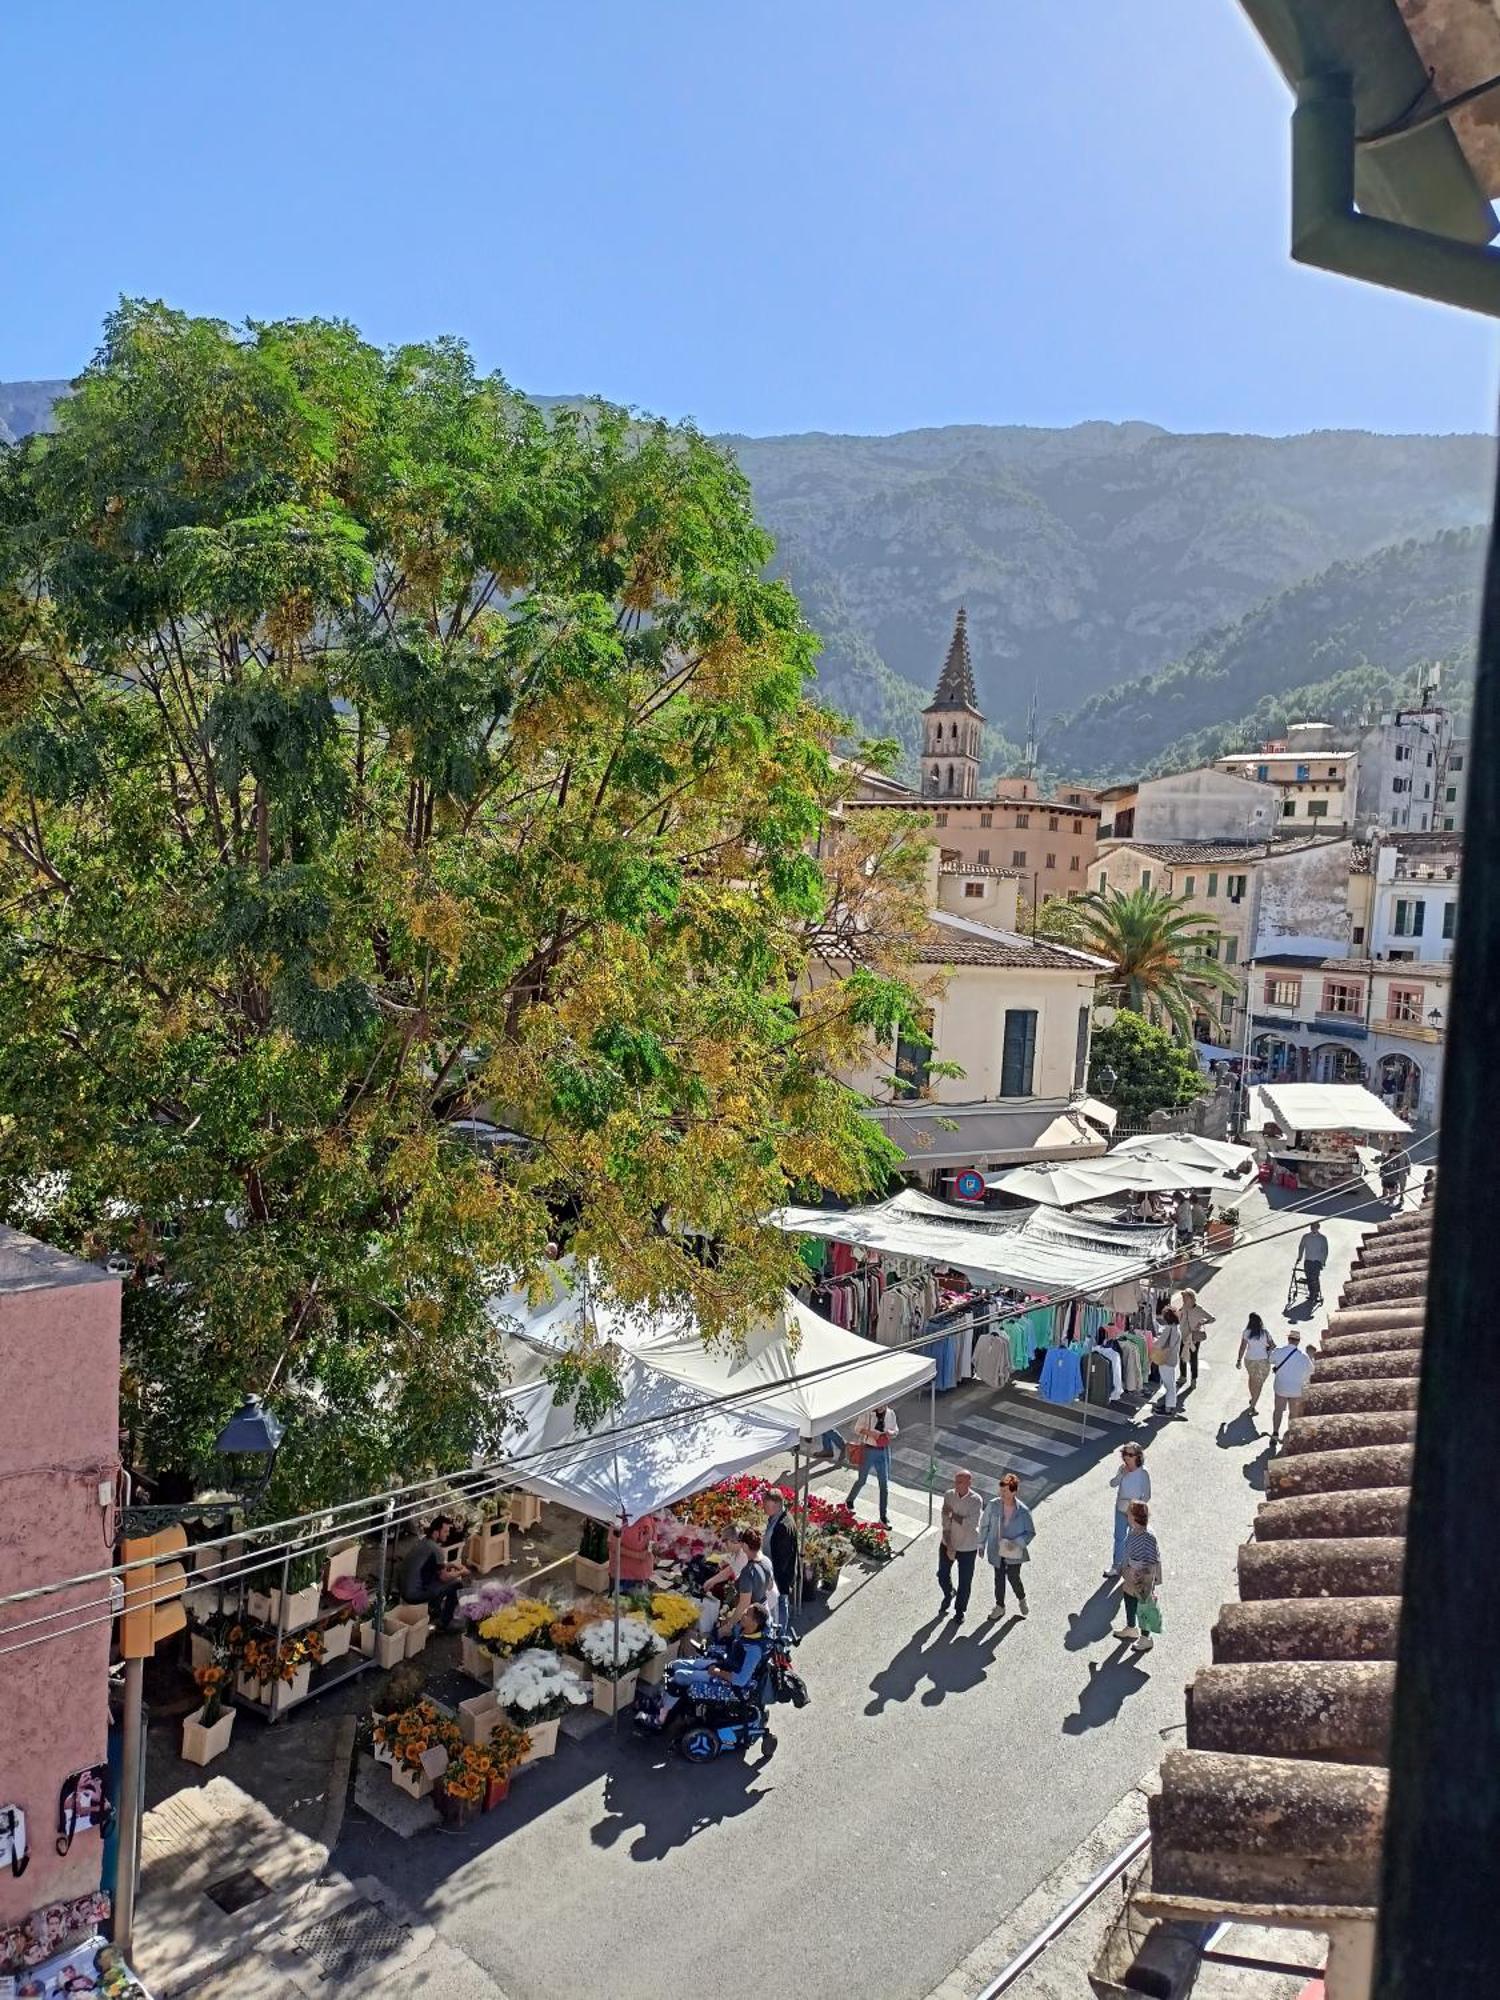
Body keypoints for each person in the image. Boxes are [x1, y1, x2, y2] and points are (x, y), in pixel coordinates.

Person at [979, 1471, 1035, 1618]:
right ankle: (1000, 1606)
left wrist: (1016, 1543)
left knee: (1013, 1576)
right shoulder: (993, 1505)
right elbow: (984, 1525)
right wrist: (981, 1544)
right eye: (1001, 1490)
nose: (1002, 1493)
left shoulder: (1023, 1511)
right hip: (997, 1549)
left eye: (1005, 1491)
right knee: (998, 1578)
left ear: (1014, 1491)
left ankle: (1021, 1598)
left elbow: (1030, 1532)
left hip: (1013, 1551)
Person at [399, 1518, 470, 1632]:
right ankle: (445, 1623)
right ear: (436, 1532)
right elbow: (444, 1577)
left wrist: (451, 1565)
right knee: (456, 1584)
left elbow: (434, 1566)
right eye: (445, 1531)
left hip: (405, 1590)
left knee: (438, 1581)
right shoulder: (436, 1549)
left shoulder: (424, 1542)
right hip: (415, 1594)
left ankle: (434, 1609)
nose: (448, 1534)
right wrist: (461, 1572)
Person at [1114, 1500, 1162, 1653]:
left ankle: (1146, 1638)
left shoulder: (1148, 1536)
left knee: (1144, 1606)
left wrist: (1141, 1574)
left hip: (1142, 1577)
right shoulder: (1134, 1530)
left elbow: (1153, 1560)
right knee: (1129, 1597)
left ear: (1134, 1517)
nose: (1126, 1515)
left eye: (1129, 1513)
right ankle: (1131, 1628)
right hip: (1131, 1574)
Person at [938, 1468, 983, 1619]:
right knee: (942, 1575)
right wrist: (949, 1545)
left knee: (965, 1581)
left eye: (960, 1482)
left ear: (969, 1483)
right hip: (948, 1542)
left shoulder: (976, 1500)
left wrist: (953, 1515)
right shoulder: (949, 1495)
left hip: (967, 1547)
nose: (956, 1485)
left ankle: (959, 1611)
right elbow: (945, 1521)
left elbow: (971, 1525)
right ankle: (949, 1592)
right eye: (956, 1482)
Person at [847, 1404, 897, 1527]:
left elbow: (896, 1430)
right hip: (869, 1449)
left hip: (883, 1450)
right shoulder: (867, 1412)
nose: (881, 1407)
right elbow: (857, 1428)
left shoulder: (890, 1413)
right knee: (862, 1480)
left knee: (884, 1485)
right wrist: (871, 1433)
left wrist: (891, 1433)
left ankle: (883, 1516)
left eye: (883, 1405)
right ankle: (850, 1500)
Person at [1106, 1443, 1150, 1573]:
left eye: (1130, 1455)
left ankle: (1130, 1566)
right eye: (1125, 1454)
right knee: (1119, 1537)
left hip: (1135, 1512)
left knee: (1133, 1539)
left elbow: (1147, 1495)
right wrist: (1121, 1475)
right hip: (1120, 1509)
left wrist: (1136, 1508)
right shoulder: (1122, 1469)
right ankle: (1116, 1566)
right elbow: (1112, 1484)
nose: (1126, 1458)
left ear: (1138, 1457)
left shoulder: (1143, 1473)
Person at [1268, 1329, 1315, 1444]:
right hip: (1296, 1390)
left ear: (1288, 1339)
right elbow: (1311, 1371)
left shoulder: (1279, 1351)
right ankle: (1290, 1434)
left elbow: (1270, 1360)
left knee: (1278, 1410)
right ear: (1298, 1342)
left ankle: (1275, 1433)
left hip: (1281, 1388)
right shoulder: (1304, 1357)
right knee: (1293, 1413)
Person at [763, 1489, 799, 1634]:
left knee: (781, 1603)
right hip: (776, 1571)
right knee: (779, 1602)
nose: (764, 1508)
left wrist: (773, 1578)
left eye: (766, 1505)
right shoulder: (779, 1517)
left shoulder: (783, 1526)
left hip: (780, 1575)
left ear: (777, 1505)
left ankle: (780, 1635)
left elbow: (782, 1559)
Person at [1236, 1311, 1276, 1415]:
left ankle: (1253, 1398)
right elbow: (1273, 1345)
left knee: (1252, 1379)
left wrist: (1239, 1360)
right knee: (1259, 1384)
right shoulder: (1265, 1332)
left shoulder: (1246, 1332)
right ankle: (1253, 1406)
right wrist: (1266, 1347)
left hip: (1249, 1360)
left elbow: (1242, 1347)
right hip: (1263, 1361)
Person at [1175, 1287, 1215, 1390]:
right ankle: (1183, 1377)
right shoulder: (1183, 1308)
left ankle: (1193, 1380)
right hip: (1184, 1336)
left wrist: (1203, 1322)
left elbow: (1212, 1318)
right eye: (1183, 1298)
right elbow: (1179, 1318)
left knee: (1193, 1359)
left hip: (1194, 1338)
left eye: (1185, 1298)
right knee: (1182, 1356)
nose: (1183, 1300)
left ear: (1192, 1298)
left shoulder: (1199, 1309)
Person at [608, 1513, 656, 1592]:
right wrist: (638, 1555)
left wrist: (650, 1550)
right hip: (622, 1574)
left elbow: (653, 1539)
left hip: (642, 1573)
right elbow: (612, 1545)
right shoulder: (620, 1518)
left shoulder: (648, 1515)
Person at [1152, 1306, 1184, 1416]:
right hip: (1172, 1359)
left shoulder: (1169, 1329)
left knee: (1169, 1385)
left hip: (1166, 1360)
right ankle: (1168, 1406)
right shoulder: (1176, 1329)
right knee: (1170, 1384)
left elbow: (1160, 1343)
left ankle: (1168, 1409)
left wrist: (1154, 1341)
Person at [1296, 1221, 1329, 1303]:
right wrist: (1299, 1257)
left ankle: (1316, 1294)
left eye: (1315, 1227)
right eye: (1312, 1227)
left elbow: (1325, 1251)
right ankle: (1312, 1294)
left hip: (1317, 1262)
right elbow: (1301, 1247)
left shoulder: (1322, 1238)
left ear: (1318, 1228)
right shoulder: (1306, 1237)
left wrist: (1323, 1261)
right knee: (1309, 1278)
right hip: (1308, 1260)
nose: (1313, 1229)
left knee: (1314, 1278)